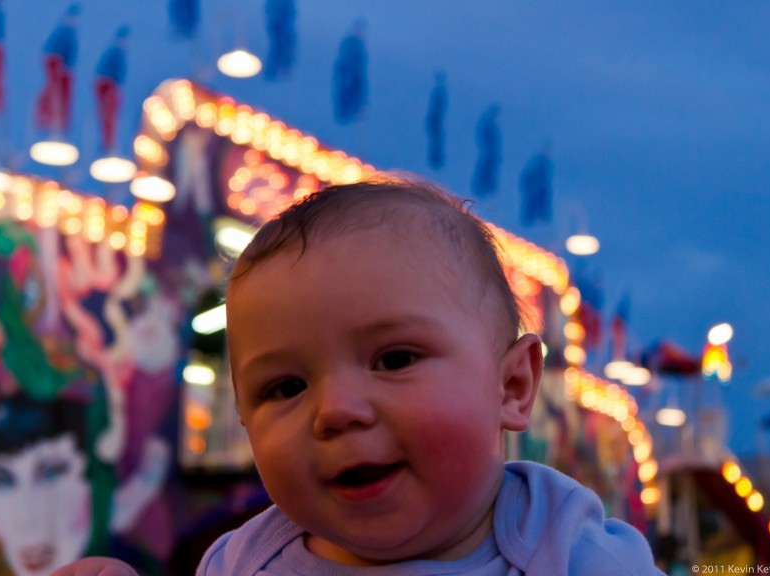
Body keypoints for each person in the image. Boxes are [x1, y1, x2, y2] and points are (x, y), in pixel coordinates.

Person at [53, 174, 662, 575]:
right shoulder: (243, 563)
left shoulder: (567, 551)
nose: (336, 409)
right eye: (284, 387)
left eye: (394, 359)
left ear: (512, 386)